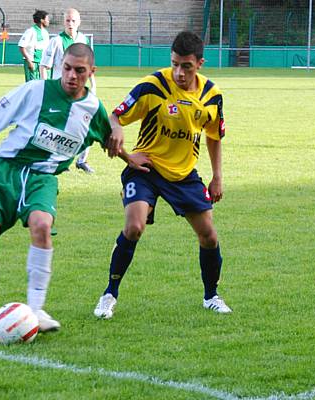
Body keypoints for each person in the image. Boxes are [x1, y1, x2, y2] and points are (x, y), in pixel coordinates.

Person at [0, 44, 123, 337]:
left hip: (42, 178)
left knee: (42, 225)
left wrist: (123, 142)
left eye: (80, 71)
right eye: (67, 68)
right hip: (3, 170)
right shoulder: (35, 90)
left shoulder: (93, 108)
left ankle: (36, 309)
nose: (71, 76)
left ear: (92, 72)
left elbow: (110, 140)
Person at [93, 31, 233, 320]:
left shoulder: (211, 95)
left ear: (200, 64)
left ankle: (211, 296)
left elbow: (214, 136)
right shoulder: (153, 85)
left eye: (187, 67)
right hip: (145, 169)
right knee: (134, 227)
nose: (179, 73)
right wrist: (117, 127)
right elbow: (116, 115)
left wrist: (217, 175)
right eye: (175, 64)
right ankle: (109, 294)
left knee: (208, 236)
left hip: (183, 175)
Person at [40, 8, 96, 173]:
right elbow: (44, 66)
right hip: (60, 91)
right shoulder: (56, 41)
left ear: (79, 22)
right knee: (58, 128)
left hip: (80, 91)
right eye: (67, 21)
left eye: (73, 21)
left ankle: (82, 160)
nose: (70, 24)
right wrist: (46, 87)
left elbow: (89, 65)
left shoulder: (84, 40)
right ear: (64, 22)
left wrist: (93, 84)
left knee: (88, 125)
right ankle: (56, 161)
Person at [17, 10, 50, 82]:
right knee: (32, 85)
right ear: (42, 20)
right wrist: (29, 61)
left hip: (42, 63)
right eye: (47, 19)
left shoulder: (45, 32)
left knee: (43, 84)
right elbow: (21, 46)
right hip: (32, 62)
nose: (48, 21)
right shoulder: (30, 31)